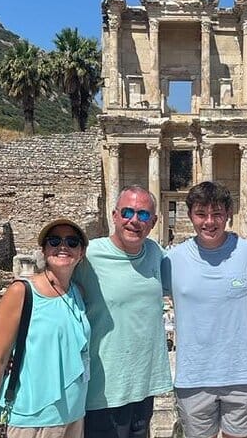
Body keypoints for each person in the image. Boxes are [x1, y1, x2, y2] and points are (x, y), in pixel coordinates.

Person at [163, 181, 247, 438]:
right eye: (201, 214)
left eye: (217, 214)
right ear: (190, 215)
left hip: (242, 376)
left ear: (228, 214)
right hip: (194, 378)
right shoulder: (172, 259)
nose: (209, 222)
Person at [0, 219, 90, 438]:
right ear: (43, 250)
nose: (63, 247)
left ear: (81, 252)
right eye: (54, 241)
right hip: (31, 417)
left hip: (74, 414)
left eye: (72, 242)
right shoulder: (21, 292)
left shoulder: (77, 293)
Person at [74, 185, 172, 438]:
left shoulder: (156, 253)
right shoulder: (88, 255)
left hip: (144, 387)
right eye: (127, 212)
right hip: (103, 391)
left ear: (154, 222)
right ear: (114, 215)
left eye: (143, 214)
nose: (134, 220)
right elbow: (48, 289)